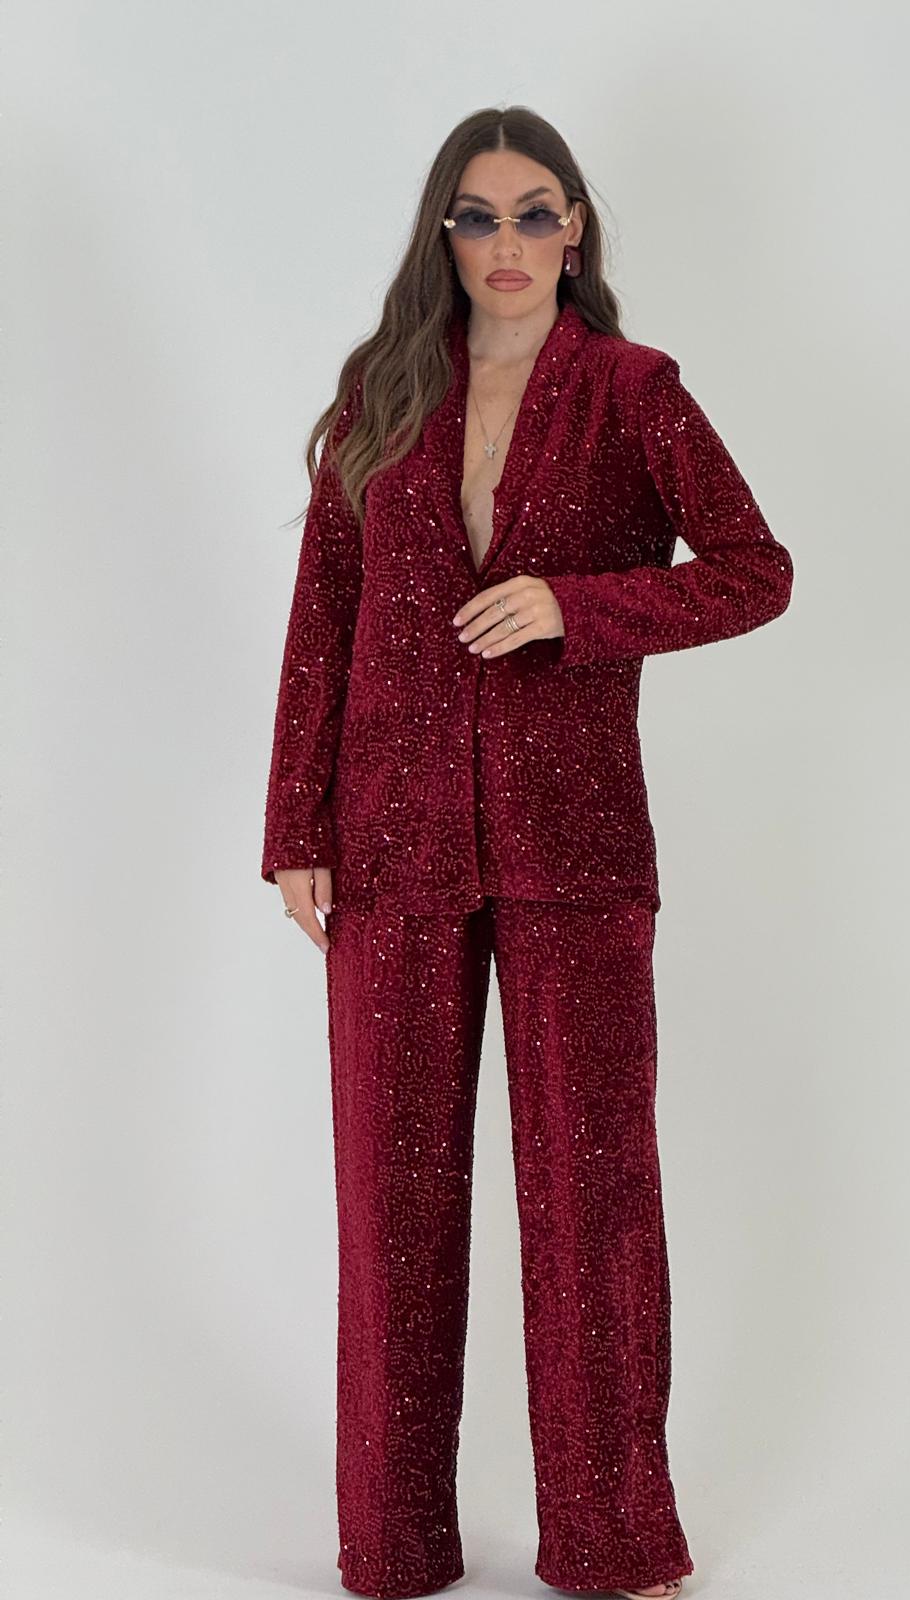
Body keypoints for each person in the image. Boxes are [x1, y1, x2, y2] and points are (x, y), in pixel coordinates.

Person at [261, 105, 793, 1600]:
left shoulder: (633, 392)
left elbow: (755, 572)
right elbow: (325, 616)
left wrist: (582, 605)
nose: (509, 243)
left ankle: (613, 1539)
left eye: (537, 212)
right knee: (392, 1205)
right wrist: (296, 825)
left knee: (593, 1200)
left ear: (577, 231)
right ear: (444, 234)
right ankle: (393, 1542)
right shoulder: (384, 394)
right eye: (480, 216)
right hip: (392, 842)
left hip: (578, 847)